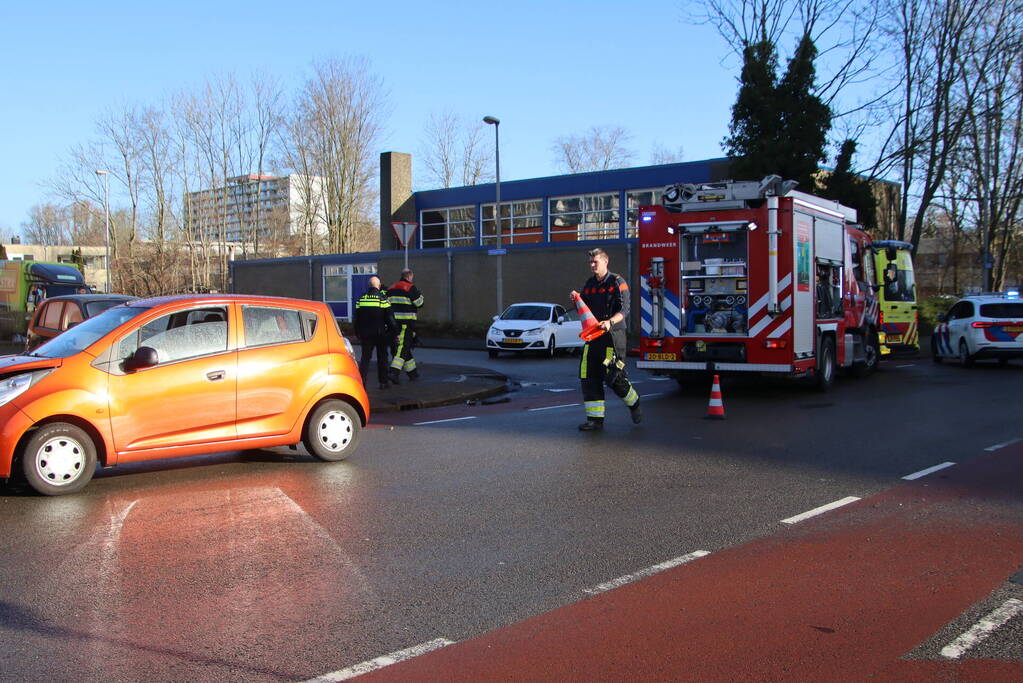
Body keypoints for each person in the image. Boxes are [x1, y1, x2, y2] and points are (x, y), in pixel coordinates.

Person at [571, 248, 641, 431]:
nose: (592, 265)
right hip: (593, 337)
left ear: (605, 261)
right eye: (591, 262)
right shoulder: (589, 284)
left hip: (612, 337)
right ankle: (595, 420)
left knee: (613, 377)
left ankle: (634, 404)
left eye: (596, 262)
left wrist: (609, 322)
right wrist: (576, 299)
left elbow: (624, 310)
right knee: (588, 376)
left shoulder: (617, 282)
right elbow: (584, 308)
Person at [354, 276, 397, 390]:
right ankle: (383, 382)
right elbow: (390, 319)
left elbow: (356, 318)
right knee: (382, 358)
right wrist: (394, 333)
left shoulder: (361, 299)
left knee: (365, 359)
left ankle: (361, 383)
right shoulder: (383, 299)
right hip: (380, 334)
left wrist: (357, 332)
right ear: (378, 286)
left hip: (366, 334)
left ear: (369, 286)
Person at [386, 268, 425, 384]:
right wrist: (421, 295)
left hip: (393, 324)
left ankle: (413, 373)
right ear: (409, 276)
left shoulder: (391, 288)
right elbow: (420, 303)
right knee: (403, 348)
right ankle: (393, 372)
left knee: (405, 348)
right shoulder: (411, 288)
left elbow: (387, 305)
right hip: (406, 324)